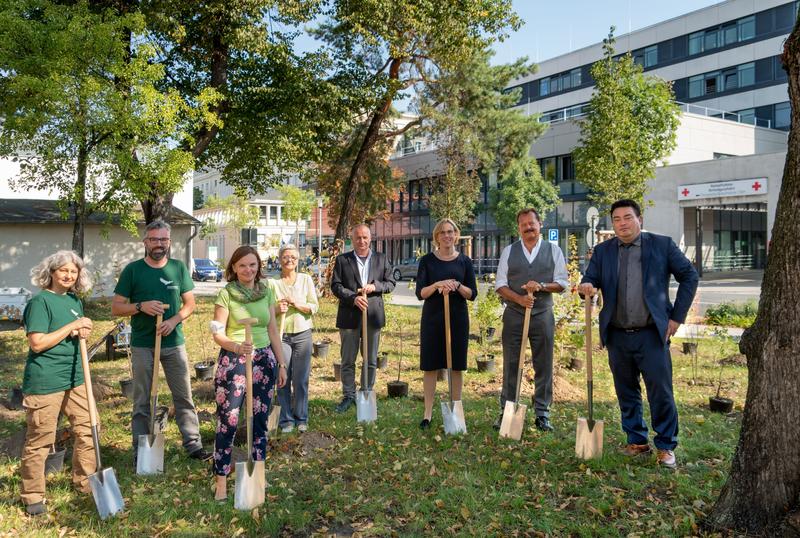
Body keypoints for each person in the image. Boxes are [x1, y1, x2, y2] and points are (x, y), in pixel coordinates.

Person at [579, 199, 698, 469]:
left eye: (627, 217)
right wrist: (586, 285)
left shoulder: (662, 245)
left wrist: (677, 317)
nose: (622, 223)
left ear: (639, 219)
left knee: (661, 392)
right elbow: (591, 278)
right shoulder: (603, 251)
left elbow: (689, 276)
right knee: (626, 390)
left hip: (651, 334)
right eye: (617, 219)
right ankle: (637, 440)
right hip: (618, 334)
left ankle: (666, 446)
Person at [111, 219, 210, 464]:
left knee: (183, 395)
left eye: (164, 239)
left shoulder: (178, 268)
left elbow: (190, 305)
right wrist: (140, 306)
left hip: (174, 344)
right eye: (154, 239)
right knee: (143, 398)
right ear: (145, 242)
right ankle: (141, 449)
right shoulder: (133, 270)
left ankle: (193, 444)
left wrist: (174, 320)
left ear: (169, 242)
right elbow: (116, 307)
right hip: (144, 344)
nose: (159, 244)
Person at [209, 245, 287, 502]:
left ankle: (258, 475)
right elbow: (217, 332)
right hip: (234, 361)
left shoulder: (267, 291)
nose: (248, 269)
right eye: (242, 265)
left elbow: (273, 330)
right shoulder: (226, 294)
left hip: (264, 360)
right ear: (233, 268)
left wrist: (281, 363)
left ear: (259, 266)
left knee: (260, 420)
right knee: (229, 419)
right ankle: (221, 479)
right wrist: (235, 346)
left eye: (252, 264)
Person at [20, 251, 95, 516]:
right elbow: (37, 342)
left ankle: (85, 482)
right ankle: (33, 496)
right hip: (46, 379)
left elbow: (74, 331)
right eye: (63, 270)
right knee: (40, 439)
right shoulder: (40, 301)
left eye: (73, 272)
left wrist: (82, 329)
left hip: (75, 377)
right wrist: (73, 325)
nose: (68, 275)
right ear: (51, 272)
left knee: (88, 429)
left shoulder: (74, 300)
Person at [494, 208, 569, 432]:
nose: (528, 228)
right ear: (519, 228)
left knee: (543, 363)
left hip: (543, 314)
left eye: (532, 224)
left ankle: (542, 413)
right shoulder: (509, 251)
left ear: (540, 225)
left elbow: (562, 283)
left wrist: (542, 286)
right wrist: (518, 298)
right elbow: (500, 284)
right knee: (511, 363)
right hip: (515, 315)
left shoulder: (553, 250)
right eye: (524, 224)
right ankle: (508, 410)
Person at [415, 219, 477, 429]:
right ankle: (427, 414)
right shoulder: (427, 261)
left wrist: (457, 285)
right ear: (437, 237)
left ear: (456, 235)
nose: (447, 236)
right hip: (432, 319)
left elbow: (472, 294)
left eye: (450, 232)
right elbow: (420, 293)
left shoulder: (465, 262)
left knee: (457, 366)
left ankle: (455, 409)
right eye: (442, 233)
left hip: (458, 319)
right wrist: (437, 284)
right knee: (430, 366)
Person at [330, 224, 395, 413]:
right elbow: (336, 285)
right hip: (349, 317)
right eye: (358, 238)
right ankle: (348, 395)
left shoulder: (381, 259)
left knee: (370, 359)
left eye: (365, 237)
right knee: (348, 360)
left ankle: (366, 392)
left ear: (370, 238)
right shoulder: (343, 260)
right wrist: (353, 297)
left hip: (373, 316)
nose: (362, 241)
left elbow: (391, 283)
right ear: (352, 239)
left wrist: (376, 287)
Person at [270, 244, 319, 433]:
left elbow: (314, 307)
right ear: (279, 259)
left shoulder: (306, 280)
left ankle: (301, 417)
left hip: (303, 334)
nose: (289, 260)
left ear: (298, 261)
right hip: (281, 336)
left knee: (300, 379)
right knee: (282, 378)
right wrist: (277, 308)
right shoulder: (272, 283)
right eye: (285, 256)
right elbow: (267, 310)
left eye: (293, 257)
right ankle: (286, 420)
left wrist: (296, 304)